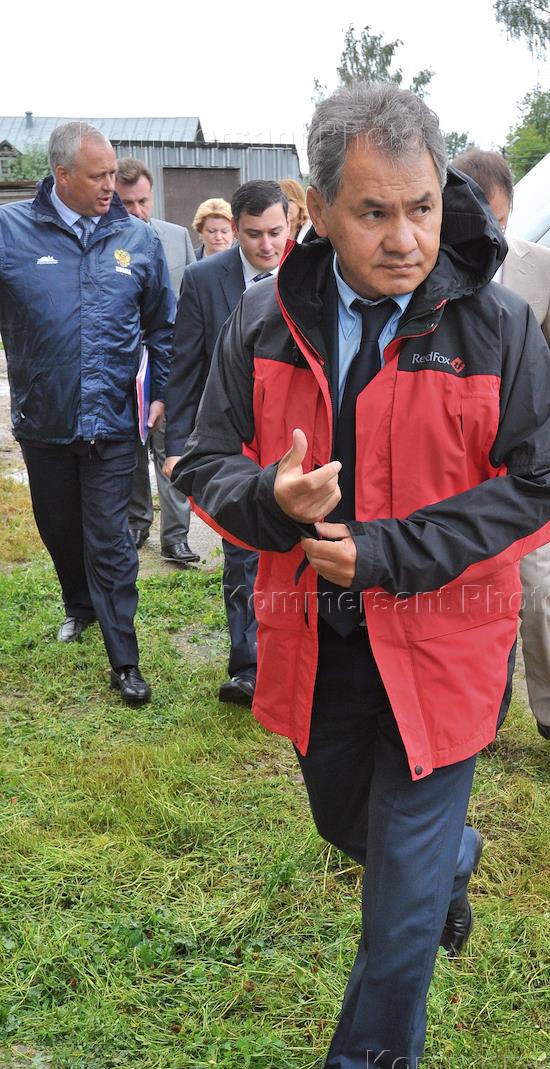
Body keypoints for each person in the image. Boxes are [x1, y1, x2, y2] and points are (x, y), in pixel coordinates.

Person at [173, 83, 550, 1069]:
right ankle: (452, 857)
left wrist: (395, 551)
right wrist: (270, 501)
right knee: (344, 825)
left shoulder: (494, 324)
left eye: (422, 208)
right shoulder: (263, 319)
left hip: (443, 654)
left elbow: (546, 480)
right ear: (315, 210)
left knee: (395, 909)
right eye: (373, 214)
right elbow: (201, 459)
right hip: (314, 643)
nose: (406, 239)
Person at [0, 122, 174, 705]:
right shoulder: (9, 231)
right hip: (43, 418)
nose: (110, 186)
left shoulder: (137, 238)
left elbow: (164, 327)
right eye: (98, 176)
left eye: (113, 173)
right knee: (58, 527)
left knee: (110, 540)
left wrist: (160, 392)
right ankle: (79, 605)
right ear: (62, 175)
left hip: (114, 421)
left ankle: (125, 660)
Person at [453, 149, 550, 767]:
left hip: (532, 471)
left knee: (539, 590)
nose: (491, 235)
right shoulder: (431, 269)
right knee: (464, 592)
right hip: (461, 473)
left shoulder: (546, 267)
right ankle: (476, 707)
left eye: (500, 222)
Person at [163, 181, 290, 707]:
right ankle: (248, 667)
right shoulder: (204, 279)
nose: (267, 245)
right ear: (234, 229)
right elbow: (186, 364)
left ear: (291, 224)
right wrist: (177, 445)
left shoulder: (312, 273)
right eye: (255, 234)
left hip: (293, 440)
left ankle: (295, 658)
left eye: (276, 232)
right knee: (242, 553)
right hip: (235, 442)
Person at [115, 157, 199, 566]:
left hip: (172, 364)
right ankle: (137, 522)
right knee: (133, 446)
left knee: (172, 448)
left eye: (143, 201)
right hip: (125, 368)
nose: (137, 211)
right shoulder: (104, 243)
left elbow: (194, 299)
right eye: (127, 203)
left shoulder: (177, 237)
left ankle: (176, 536)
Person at [279, 176, 311, 241]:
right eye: (280, 201)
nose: (285, 205)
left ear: (299, 201)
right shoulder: (272, 229)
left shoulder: (312, 230)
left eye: (289, 200)